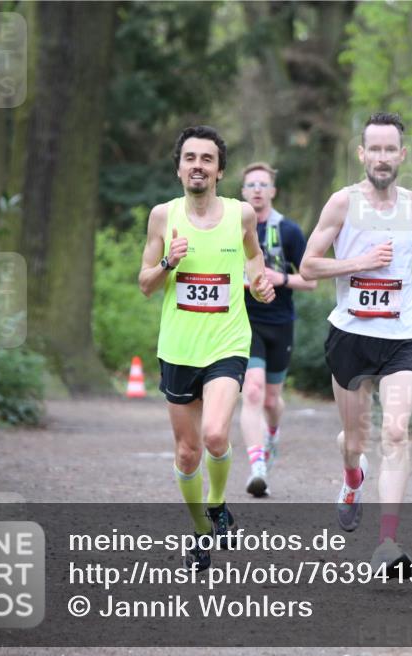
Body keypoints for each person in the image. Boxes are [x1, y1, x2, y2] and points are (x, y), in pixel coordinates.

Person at [299, 112, 412, 574]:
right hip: (350, 335)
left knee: (395, 432)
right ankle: (352, 478)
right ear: (362, 154)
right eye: (376, 149)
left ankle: (388, 542)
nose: (383, 158)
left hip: (401, 337)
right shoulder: (342, 204)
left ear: (402, 155)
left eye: (392, 150)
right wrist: (361, 261)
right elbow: (308, 266)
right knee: (355, 439)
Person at [138, 125, 275, 571]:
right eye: (190, 158)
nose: (198, 165)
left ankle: (217, 504)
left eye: (207, 159)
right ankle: (200, 530)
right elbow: (145, 285)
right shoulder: (163, 216)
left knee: (216, 434)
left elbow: (254, 257)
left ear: (219, 171)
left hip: (227, 342)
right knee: (186, 452)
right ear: (179, 168)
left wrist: (259, 282)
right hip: (178, 348)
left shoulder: (241, 216)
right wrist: (168, 262)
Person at [238, 161, 316, 497]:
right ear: (242, 192)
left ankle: (272, 432)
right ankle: (257, 466)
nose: (256, 190)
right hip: (245, 321)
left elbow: (311, 280)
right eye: (251, 185)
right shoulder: (231, 228)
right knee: (252, 390)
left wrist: (280, 278)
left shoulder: (289, 231)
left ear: (272, 191)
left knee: (271, 398)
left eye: (262, 185)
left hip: (280, 323)